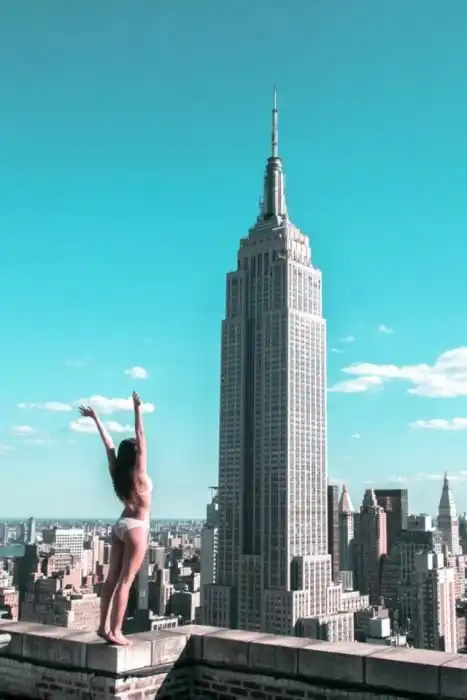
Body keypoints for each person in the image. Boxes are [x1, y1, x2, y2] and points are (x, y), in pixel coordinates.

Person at [78, 391, 152, 646]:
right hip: (137, 527)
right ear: (137, 454)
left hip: (120, 525)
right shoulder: (139, 476)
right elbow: (140, 435)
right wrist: (137, 408)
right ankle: (115, 631)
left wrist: (95, 418)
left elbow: (108, 445)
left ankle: (102, 627)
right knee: (126, 581)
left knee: (111, 579)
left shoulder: (117, 473)